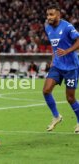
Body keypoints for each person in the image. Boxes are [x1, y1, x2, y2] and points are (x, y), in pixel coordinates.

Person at [43, 4, 79, 133]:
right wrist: (53, 60)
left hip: (71, 67)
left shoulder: (68, 27)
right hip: (57, 66)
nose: (49, 17)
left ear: (58, 15)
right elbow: (55, 47)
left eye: (51, 14)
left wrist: (67, 51)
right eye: (48, 15)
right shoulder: (47, 28)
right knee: (46, 91)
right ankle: (56, 116)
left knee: (70, 98)